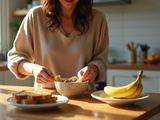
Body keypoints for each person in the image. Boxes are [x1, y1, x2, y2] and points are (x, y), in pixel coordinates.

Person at [7, 0, 109, 90]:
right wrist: (34, 69)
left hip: (85, 97)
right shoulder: (36, 16)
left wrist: (93, 69)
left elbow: (101, 60)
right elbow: (14, 58)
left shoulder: (97, 19)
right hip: (46, 99)